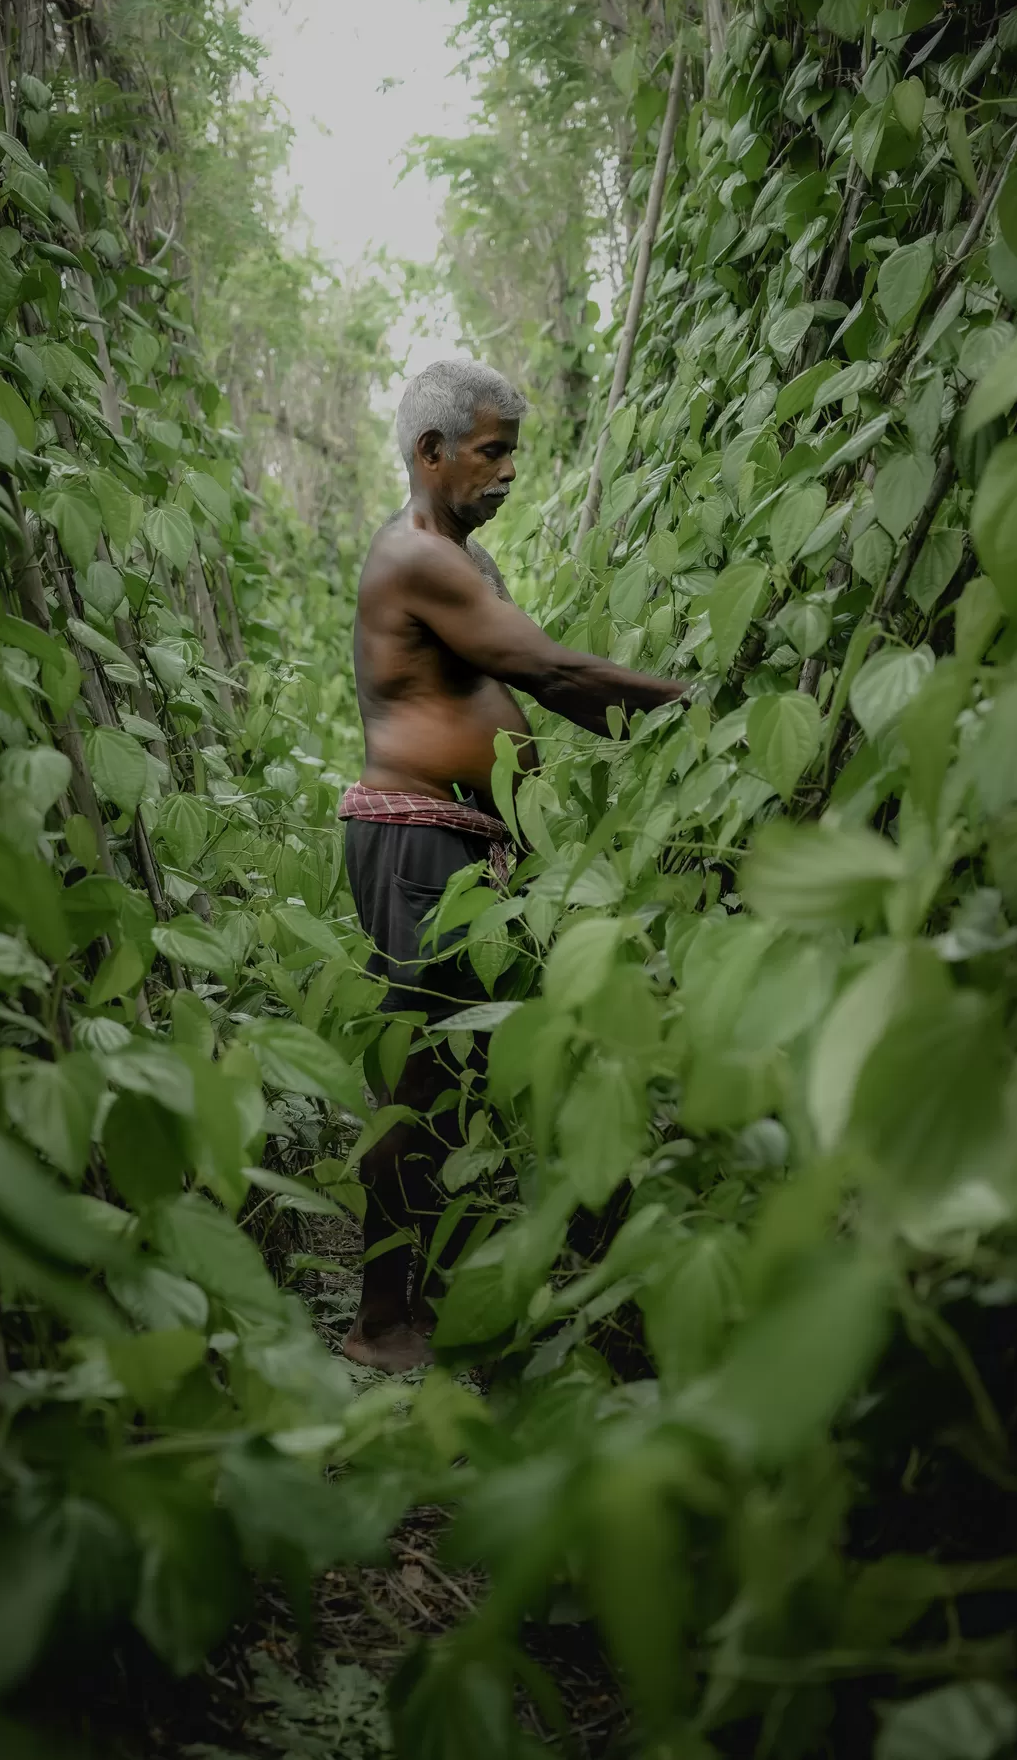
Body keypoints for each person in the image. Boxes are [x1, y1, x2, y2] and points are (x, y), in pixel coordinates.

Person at [339, 358, 688, 1371]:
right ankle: (379, 1319)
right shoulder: (420, 557)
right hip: (415, 839)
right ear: (431, 453)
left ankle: (467, 1293)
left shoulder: (459, 557)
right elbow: (554, 672)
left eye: (514, 455)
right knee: (419, 1074)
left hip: (457, 844)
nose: (508, 474)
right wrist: (698, 710)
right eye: (492, 454)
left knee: (466, 1073)